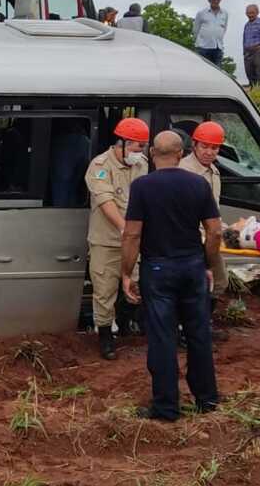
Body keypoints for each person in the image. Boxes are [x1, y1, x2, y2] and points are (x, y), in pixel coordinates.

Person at [120, 130, 223, 422]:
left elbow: (132, 234)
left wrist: (126, 273)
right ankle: (207, 400)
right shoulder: (198, 184)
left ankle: (166, 408)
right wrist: (207, 264)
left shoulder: (142, 187)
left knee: (163, 339)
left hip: (158, 269)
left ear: (152, 154)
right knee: (199, 335)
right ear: (180, 154)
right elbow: (214, 231)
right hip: (192, 267)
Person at [86, 117, 150, 360]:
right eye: (135, 146)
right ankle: (105, 336)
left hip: (134, 241)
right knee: (104, 290)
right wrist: (124, 228)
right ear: (121, 143)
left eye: (142, 147)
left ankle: (124, 324)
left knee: (134, 287)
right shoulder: (100, 165)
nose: (139, 152)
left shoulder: (141, 165)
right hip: (107, 241)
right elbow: (105, 201)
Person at [180, 121, 227, 301]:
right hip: (191, 240)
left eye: (214, 148)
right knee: (195, 286)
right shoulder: (184, 171)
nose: (209, 152)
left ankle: (202, 321)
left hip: (210, 237)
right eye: (205, 146)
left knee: (219, 282)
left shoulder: (214, 171)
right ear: (194, 145)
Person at [193, 0, 228, 68]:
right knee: (201, 70)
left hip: (218, 48)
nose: (215, 1)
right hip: (202, 48)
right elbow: (195, 29)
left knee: (217, 72)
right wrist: (200, 42)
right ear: (209, 0)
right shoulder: (201, 13)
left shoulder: (225, 13)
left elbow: (224, 29)